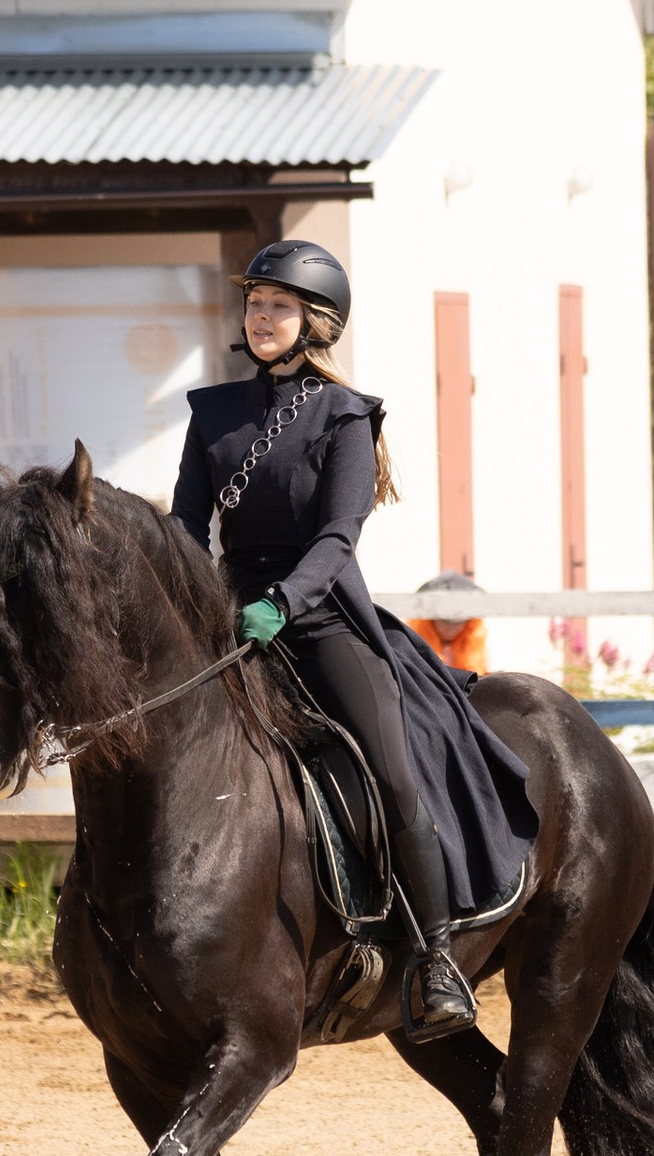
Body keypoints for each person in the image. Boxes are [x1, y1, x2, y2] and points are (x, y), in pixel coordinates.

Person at [169, 241, 537, 1040]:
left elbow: (339, 538)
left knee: (394, 776)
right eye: (255, 304)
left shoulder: (345, 417)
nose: (260, 318)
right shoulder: (212, 414)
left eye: (278, 307)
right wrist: (188, 603)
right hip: (229, 619)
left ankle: (438, 957)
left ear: (316, 323)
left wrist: (282, 602)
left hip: (323, 620)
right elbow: (184, 529)